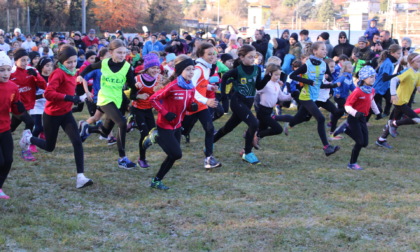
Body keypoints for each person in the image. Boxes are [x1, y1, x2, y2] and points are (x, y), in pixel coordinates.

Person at [19, 45, 93, 188]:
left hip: (66, 114)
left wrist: (81, 97)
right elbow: (48, 94)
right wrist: (69, 98)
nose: (72, 65)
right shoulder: (58, 73)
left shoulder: (72, 72)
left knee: (77, 142)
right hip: (52, 115)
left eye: (74, 61)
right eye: (69, 62)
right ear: (62, 62)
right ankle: (28, 138)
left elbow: (71, 89)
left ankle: (80, 177)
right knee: (49, 146)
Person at [78, 39, 137, 169]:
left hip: (118, 100)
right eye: (119, 52)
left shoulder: (127, 66)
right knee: (122, 123)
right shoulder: (104, 63)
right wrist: (81, 75)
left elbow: (132, 84)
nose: (122, 55)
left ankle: (87, 128)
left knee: (105, 132)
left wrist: (134, 95)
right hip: (104, 98)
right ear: (111, 52)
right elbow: (89, 67)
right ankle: (122, 158)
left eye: (124, 53)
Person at [144, 55, 198, 190]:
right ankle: (155, 136)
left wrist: (192, 106)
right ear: (180, 71)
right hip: (165, 124)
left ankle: (156, 181)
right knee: (177, 154)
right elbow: (153, 99)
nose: (191, 72)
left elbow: (189, 103)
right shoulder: (173, 86)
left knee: (173, 156)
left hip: (177, 125)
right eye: (188, 69)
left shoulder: (191, 86)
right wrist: (165, 113)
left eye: (193, 69)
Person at [214, 44, 270, 164]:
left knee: (229, 127)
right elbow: (224, 78)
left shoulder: (257, 69)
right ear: (241, 57)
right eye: (250, 57)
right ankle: (248, 153)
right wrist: (224, 95)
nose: (252, 59)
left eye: (254, 57)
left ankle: (210, 142)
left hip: (248, 101)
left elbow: (258, 86)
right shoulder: (237, 70)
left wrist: (267, 78)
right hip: (237, 101)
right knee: (254, 123)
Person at [287, 42, 340, 156]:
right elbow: (292, 76)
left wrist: (328, 77)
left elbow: (330, 77)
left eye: (325, 49)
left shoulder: (324, 65)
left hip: (315, 96)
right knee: (321, 118)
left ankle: (278, 120)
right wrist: (308, 82)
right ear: (315, 51)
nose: (325, 51)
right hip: (306, 96)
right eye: (322, 49)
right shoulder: (307, 64)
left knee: (300, 118)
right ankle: (327, 147)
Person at [181, 43, 222, 169]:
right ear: (201, 55)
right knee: (180, 130)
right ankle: (158, 135)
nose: (212, 56)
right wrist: (206, 100)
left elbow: (200, 84)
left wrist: (210, 87)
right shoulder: (198, 68)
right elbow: (191, 88)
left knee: (209, 129)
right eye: (209, 54)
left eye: (213, 54)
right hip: (192, 105)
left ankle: (209, 159)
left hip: (201, 105)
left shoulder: (206, 67)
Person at [376, 53, 420, 149]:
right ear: (411, 62)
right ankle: (394, 124)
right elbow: (393, 80)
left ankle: (381, 140)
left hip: (404, 101)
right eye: (418, 61)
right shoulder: (408, 72)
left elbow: (418, 88)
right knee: (416, 120)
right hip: (399, 100)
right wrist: (393, 94)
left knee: (393, 120)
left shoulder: (417, 73)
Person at [10, 48, 47, 161]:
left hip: (28, 105)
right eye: (23, 60)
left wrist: (36, 76)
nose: (25, 63)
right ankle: (25, 149)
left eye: (27, 60)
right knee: (30, 122)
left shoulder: (31, 70)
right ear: (15, 61)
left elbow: (44, 86)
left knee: (10, 128)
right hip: (17, 105)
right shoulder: (10, 73)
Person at [342, 66, 380, 170]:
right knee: (359, 142)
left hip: (363, 118)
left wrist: (377, 112)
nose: (373, 79)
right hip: (354, 118)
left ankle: (345, 129)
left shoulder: (371, 90)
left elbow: (371, 101)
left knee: (365, 143)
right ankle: (352, 163)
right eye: (371, 77)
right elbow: (347, 106)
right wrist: (355, 113)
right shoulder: (357, 91)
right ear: (363, 78)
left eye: (374, 77)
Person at [130, 53, 163, 168]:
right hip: (137, 109)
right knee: (144, 134)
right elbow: (129, 95)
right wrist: (138, 96)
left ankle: (131, 124)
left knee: (152, 133)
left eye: (157, 68)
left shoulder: (159, 79)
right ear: (147, 68)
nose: (156, 70)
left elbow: (161, 95)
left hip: (148, 109)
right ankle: (142, 159)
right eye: (153, 68)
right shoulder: (137, 79)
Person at [0, 51, 24, 199]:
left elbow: (15, 107)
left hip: (5, 129)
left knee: (8, 160)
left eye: (8, 69)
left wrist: (19, 108)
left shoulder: (13, 87)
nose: (6, 73)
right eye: (1, 70)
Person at [253, 63, 291, 149]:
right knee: (278, 129)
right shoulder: (266, 84)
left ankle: (245, 150)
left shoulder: (277, 84)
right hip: (262, 111)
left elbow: (281, 97)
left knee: (261, 131)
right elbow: (255, 91)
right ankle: (255, 135)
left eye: (279, 75)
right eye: (276, 75)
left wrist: (292, 95)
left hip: (269, 110)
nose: (278, 77)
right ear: (269, 73)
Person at [28, 57, 53, 153]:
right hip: (36, 105)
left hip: (48, 105)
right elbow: (31, 96)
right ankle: (31, 142)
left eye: (51, 65)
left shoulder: (53, 77)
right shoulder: (36, 79)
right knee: (38, 127)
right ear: (41, 67)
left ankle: (43, 133)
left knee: (48, 126)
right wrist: (43, 95)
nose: (50, 68)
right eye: (47, 66)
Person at [373, 44, 402, 118]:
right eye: (398, 53)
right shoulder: (388, 63)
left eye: (400, 53)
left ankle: (386, 113)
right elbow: (384, 78)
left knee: (391, 99)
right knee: (373, 105)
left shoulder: (390, 62)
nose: (399, 55)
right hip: (378, 88)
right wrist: (397, 74)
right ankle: (366, 121)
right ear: (392, 53)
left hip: (385, 87)